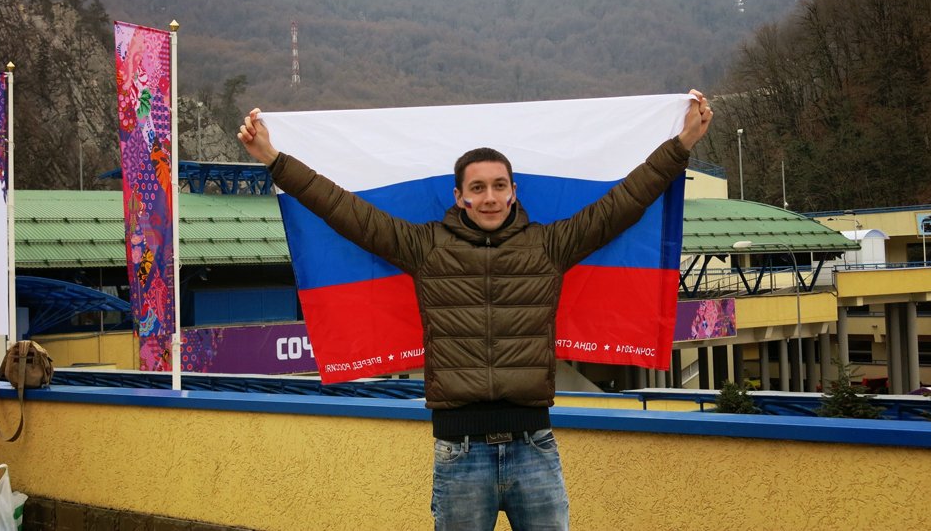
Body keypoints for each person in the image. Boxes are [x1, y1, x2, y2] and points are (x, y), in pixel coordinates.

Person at [238, 91, 712, 531]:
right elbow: (343, 209)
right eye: (478, 187)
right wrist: (274, 160)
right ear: (459, 196)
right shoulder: (425, 247)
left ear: (513, 191)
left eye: (499, 186)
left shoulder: (548, 246)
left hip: (535, 448)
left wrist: (682, 144)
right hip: (459, 454)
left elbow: (624, 202)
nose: (489, 197)